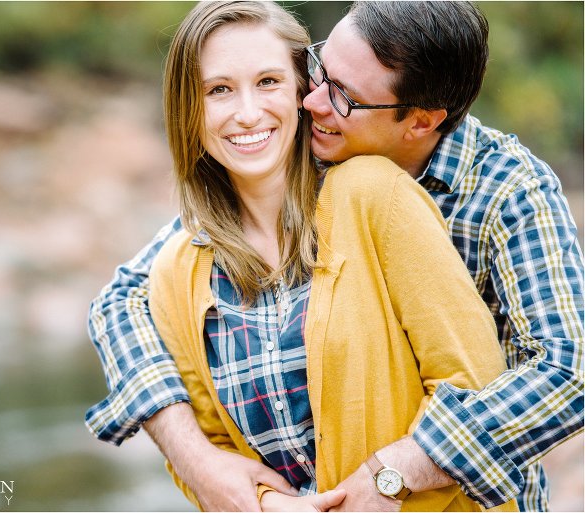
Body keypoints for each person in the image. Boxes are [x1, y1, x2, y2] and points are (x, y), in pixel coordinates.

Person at [86, 1, 584, 512]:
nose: (314, 101)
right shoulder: (300, 162)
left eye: (344, 96)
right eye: (320, 71)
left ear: (419, 121)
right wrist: (197, 460)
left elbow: (571, 371)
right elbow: (125, 297)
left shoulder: (501, 192)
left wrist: (394, 474)